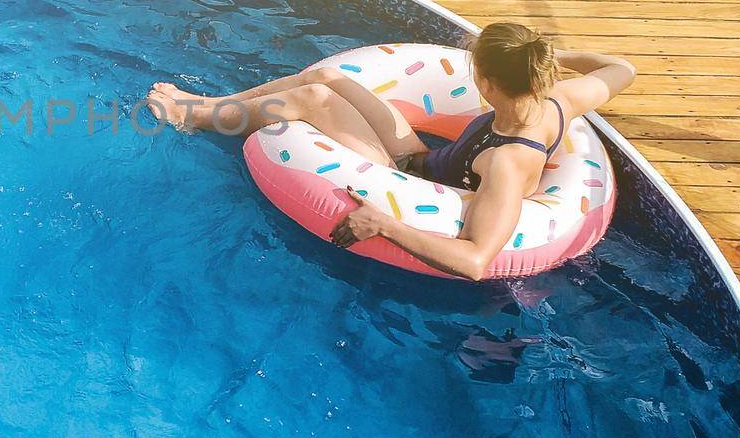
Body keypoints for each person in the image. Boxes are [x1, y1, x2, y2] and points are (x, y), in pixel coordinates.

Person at [148, 23, 636, 280]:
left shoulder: (508, 163)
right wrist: (549, 63)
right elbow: (621, 68)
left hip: (413, 185)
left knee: (313, 99)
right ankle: (210, 105)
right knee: (323, 78)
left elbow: (475, 261)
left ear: (486, 84)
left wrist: (385, 224)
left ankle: (192, 118)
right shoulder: (559, 99)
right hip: (422, 158)